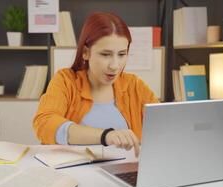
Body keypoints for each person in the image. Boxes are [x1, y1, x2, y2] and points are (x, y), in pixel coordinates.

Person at [33, 12, 159, 157]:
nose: (114, 65)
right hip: (73, 173)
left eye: (122, 54)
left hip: (123, 172)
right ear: (86, 53)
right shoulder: (66, 81)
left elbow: (163, 123)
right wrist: (106, 136)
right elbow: (44, 124)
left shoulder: (134, 85)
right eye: (105, 54)